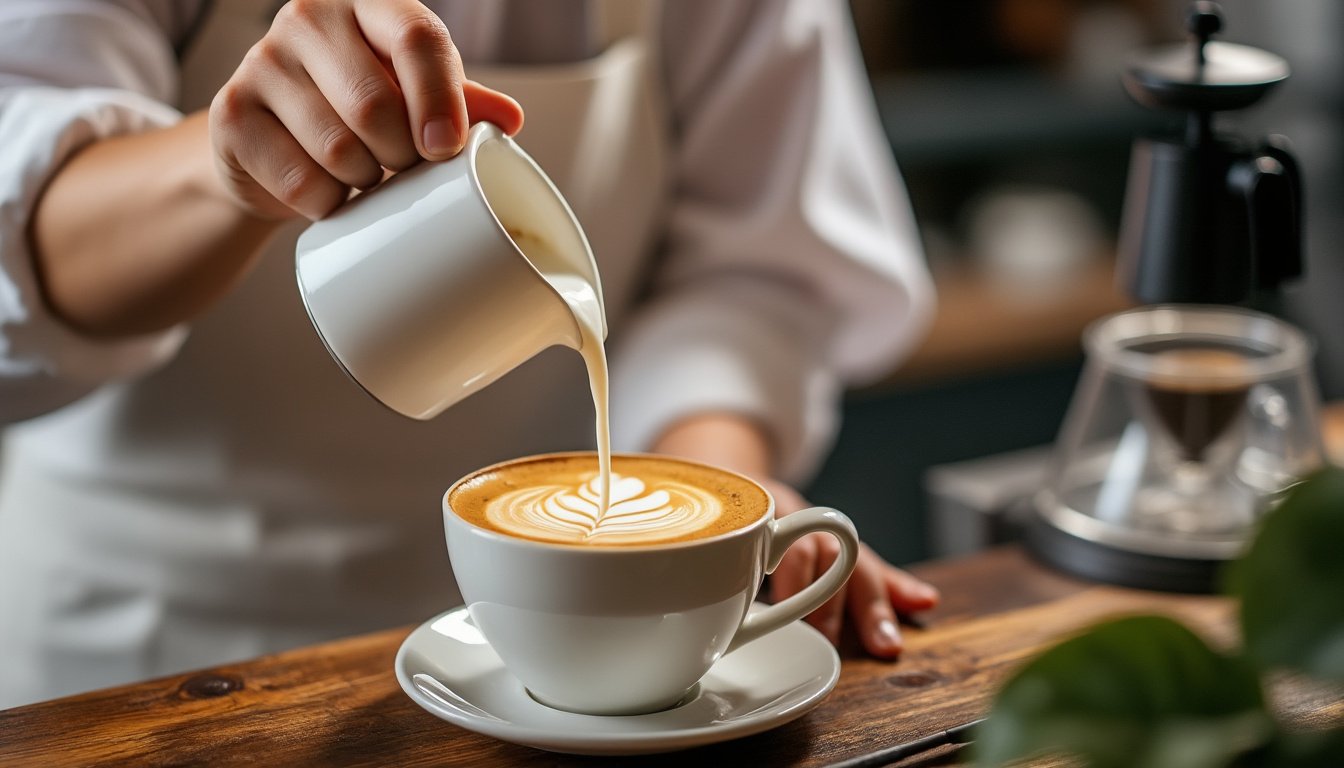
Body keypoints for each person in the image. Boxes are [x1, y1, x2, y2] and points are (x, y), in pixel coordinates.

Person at [0, 0, 938, 707]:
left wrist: (720, 533)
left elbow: (747, 275)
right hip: (137, 656)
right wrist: (224, 170)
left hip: (570, 664)